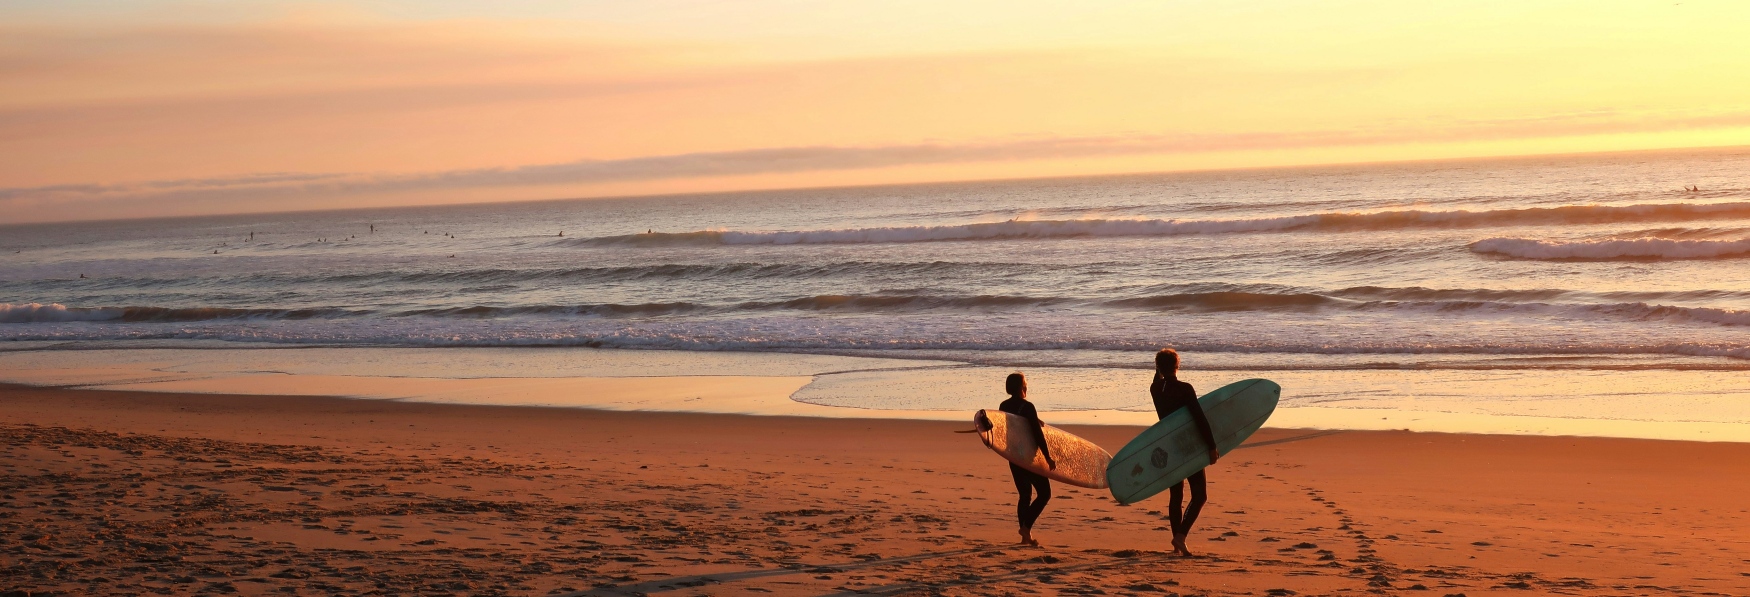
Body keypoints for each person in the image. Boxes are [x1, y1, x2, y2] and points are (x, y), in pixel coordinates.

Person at [1151, 348, 1220, 556]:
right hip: (1188, 446)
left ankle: (1176, 544)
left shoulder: (1155, 389)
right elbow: (1199, 418)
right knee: (1199, 495)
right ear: (1177, 365)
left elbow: (1157, 380)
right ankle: (1180, 536)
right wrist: (1211, 446)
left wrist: (1158, 370)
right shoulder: (1185, 389)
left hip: (1169, 447)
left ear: (1159, 367)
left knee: (1176, 495)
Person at [999, 372, 1055, 546]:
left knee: (1024, 495)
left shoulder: (1003, 405)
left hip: (1013, 456)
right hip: (1028, 457)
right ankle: (1026, 527)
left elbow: (1010, 427)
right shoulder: (1028, 406)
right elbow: (1038, 435)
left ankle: (1025, 536)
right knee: (1045, 493)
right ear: (1021, 387)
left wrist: (1034, 419)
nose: (1027, 385)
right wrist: (1048, 457)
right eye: (1025, 382)